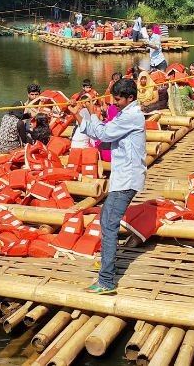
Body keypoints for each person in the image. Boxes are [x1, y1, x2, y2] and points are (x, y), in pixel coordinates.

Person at [68, 78, 146, 294]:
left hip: (127, 179)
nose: (115, 102)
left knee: (109, 224)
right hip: (122, 177)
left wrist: (91, 112)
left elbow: (102, 134)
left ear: (130, 98)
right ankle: (106, 261)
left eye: (118, 99)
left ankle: (107, 281)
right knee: (106, 219)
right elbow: (104, 130)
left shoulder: (132, 116)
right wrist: (80, 114)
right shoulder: (125, 113)